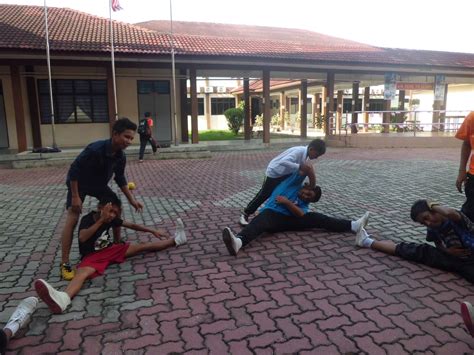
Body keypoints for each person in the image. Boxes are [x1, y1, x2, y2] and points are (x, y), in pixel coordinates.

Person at [35, 194, 186, 314]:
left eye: (115, 212)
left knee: (144, 246)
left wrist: (153, 230)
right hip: (92, 257)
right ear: (100, 208)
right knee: (81, 274)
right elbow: (82, 237)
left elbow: (132, 225)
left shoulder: (112, 219)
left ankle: (177, 240)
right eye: (110, 211)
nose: (113, 215)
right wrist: (101, 220)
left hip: (111, 250)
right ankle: (63, 299)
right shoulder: (88, 219)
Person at [59, 117, 144, 281]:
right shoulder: (95, 149)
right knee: (73, 216)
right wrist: (76, 197)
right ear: (115, 134)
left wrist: (132, 200)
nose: (129, 141)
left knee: (116, 206)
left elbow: (120, 179)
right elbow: (73, 172)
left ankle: (117, 242)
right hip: (79, 184)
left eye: (132, 138)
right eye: (126, 137)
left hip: (98, 185)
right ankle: (64, 263)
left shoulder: (121, 156)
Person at [223, 163, 370, 256]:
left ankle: (354, 226)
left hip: (290, 220)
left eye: (309, 197)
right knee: (259, 221)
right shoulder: (294, 183)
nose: (305, 196)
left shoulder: (304, 203)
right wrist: (312, 184)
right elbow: (308, 167)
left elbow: (300, 213)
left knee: (318, 218)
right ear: (305, 186)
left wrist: (287, 202)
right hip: (272, 216)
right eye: (306, 192)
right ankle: (238, 242)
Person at [355, 199, 474, 284]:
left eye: (426, 217)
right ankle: (366, 241)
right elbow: (438, 245)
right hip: (457, 261)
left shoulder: (457, 219)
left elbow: (449, 212)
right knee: (413, 250)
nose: (427, 223)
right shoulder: (432, 229)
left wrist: (431, 204)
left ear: (435, 211)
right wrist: (448, 251)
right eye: (423, 223)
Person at [239, 139, 326, 226]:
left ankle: (268, 211)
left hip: (284, 173)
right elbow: (283, 161)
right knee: (264, 194)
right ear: (311, 149)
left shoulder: (305, 155)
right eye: (317, 154)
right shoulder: (299, 152)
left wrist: (310, 184)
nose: (316, 157)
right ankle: (245, 214)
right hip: (274, 172)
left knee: (285, 190)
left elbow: (307, 170)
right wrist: (299, 166)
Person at [455, 111, 474, 221]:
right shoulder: (472, 117)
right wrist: (461, 170)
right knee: (470, 214)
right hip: (473, 175)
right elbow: (467, 143)